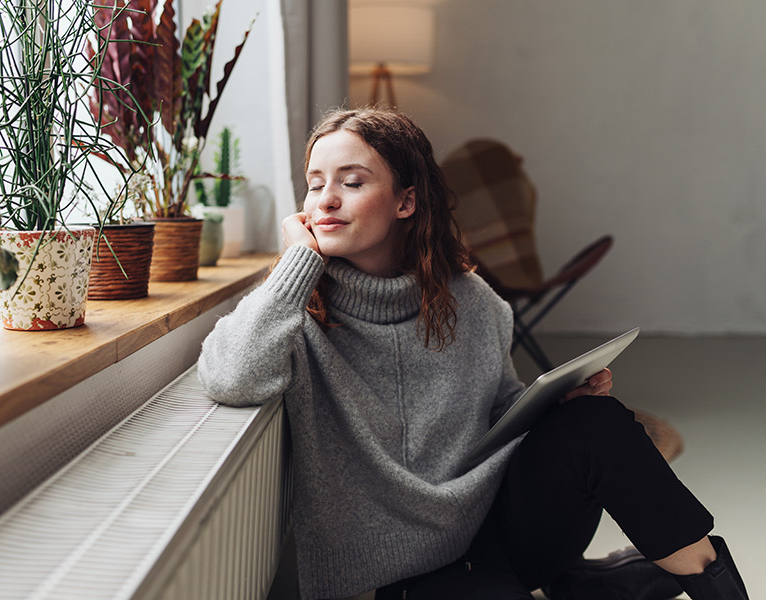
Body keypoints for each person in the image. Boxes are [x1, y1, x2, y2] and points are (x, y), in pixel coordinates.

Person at [197, 107, 748, 600]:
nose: (327, 200)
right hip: (405, 577)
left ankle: (706, 581)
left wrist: (556, 408)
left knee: (594, 421)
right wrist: (296, 266)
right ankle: (584, 584)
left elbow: (500, 412)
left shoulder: (469, 299)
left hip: (497, 530)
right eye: (315, 185)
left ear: (406, 201)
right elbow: (229, 378)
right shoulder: (291, 307)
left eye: (352, 181)